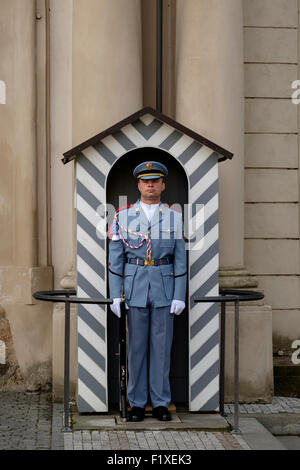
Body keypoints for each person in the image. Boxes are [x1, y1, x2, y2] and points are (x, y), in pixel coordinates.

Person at [108, 161, 187, 422]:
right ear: (138, 185)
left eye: (155, 180)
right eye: (145, 181)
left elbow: (180, 259)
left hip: (164, 287)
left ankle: (161, 402)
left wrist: (179, 294)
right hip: (135, 287)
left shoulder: (174, 216)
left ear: (163, 184)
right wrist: (115, 293)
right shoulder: (122, 217)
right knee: (136, 348)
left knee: (162, 348)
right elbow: (116, 259)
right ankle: (137, 403)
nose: (150, 184)